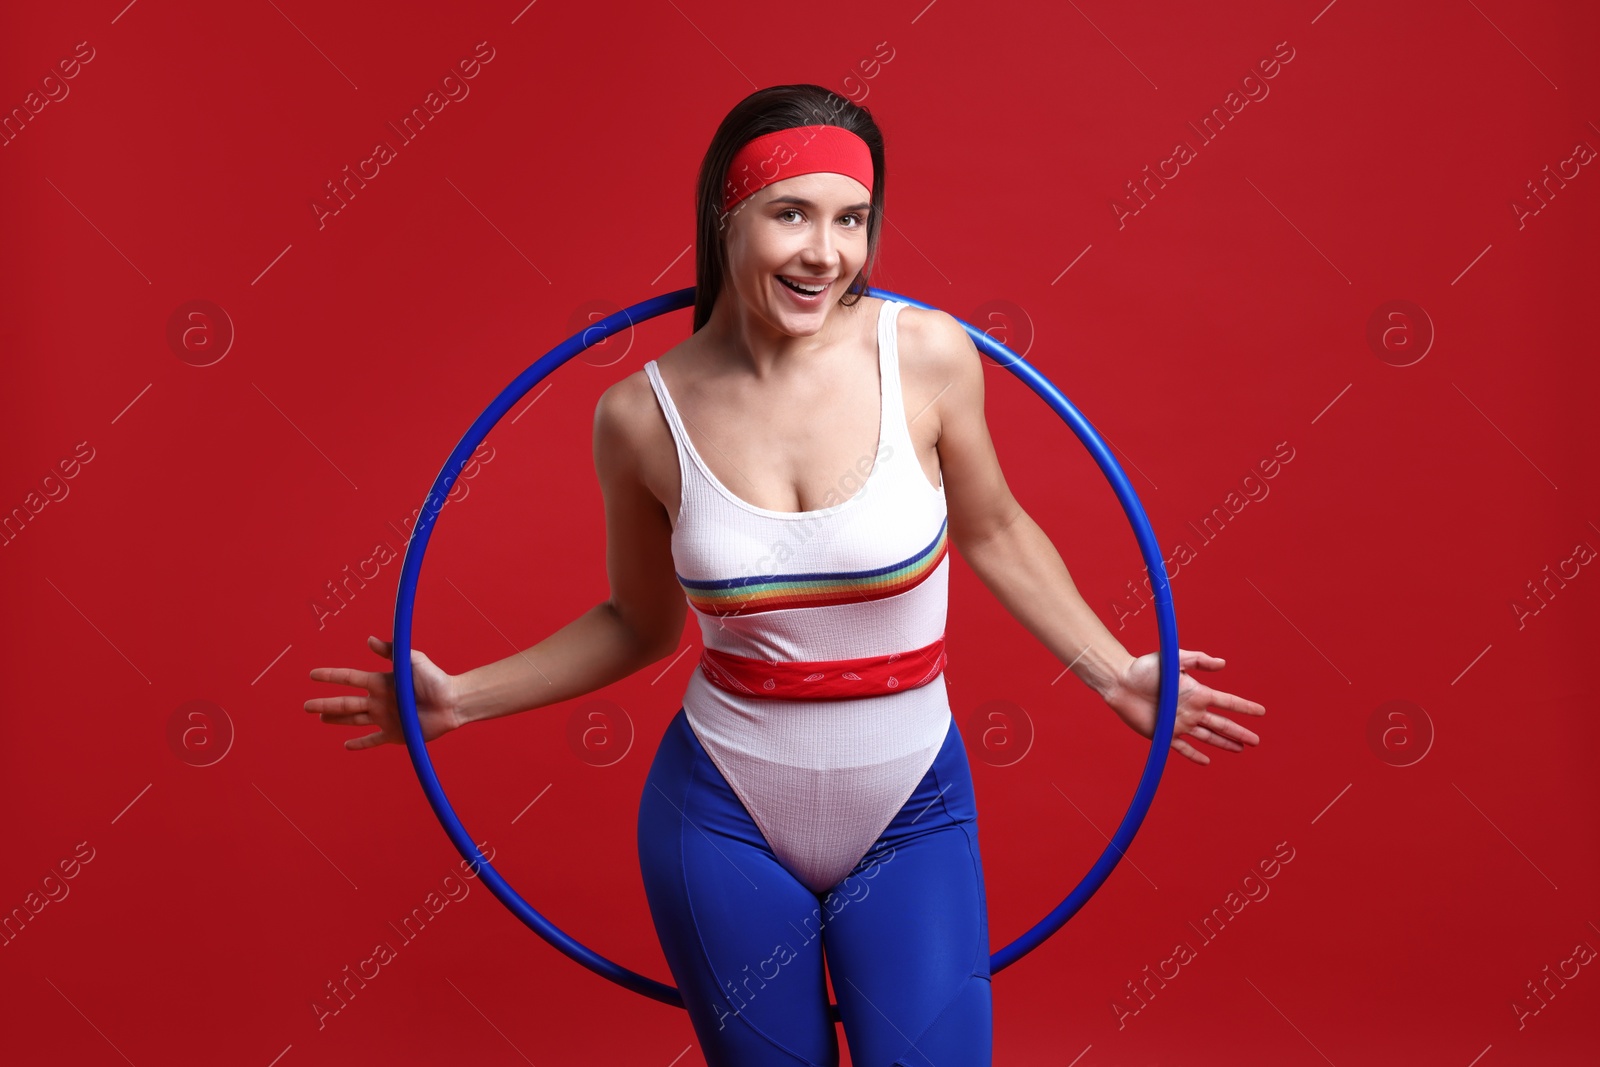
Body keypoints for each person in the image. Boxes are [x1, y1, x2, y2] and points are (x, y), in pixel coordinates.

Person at [305, 83, 1267, 1067]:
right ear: (729, 213)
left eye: (852, 218)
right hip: (720, 810)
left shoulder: (925, 356)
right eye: (791, 214)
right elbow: (637, 623)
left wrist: (1112, 670)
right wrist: (460, 697)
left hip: (910, 807)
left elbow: (997, 529)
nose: (827, 252)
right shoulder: (639, 416)